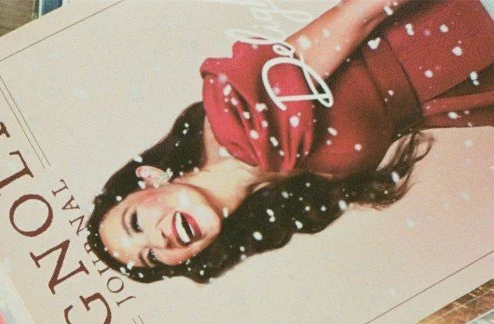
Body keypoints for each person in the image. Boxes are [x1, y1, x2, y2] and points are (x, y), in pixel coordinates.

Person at [89, 0, 494, 284]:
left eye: (136, 222)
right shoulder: (276, 195)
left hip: (451, 25)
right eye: (152, 258)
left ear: (151, 178)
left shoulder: (235, 119)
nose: (159, 239)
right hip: (464, 89)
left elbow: (358, 15)